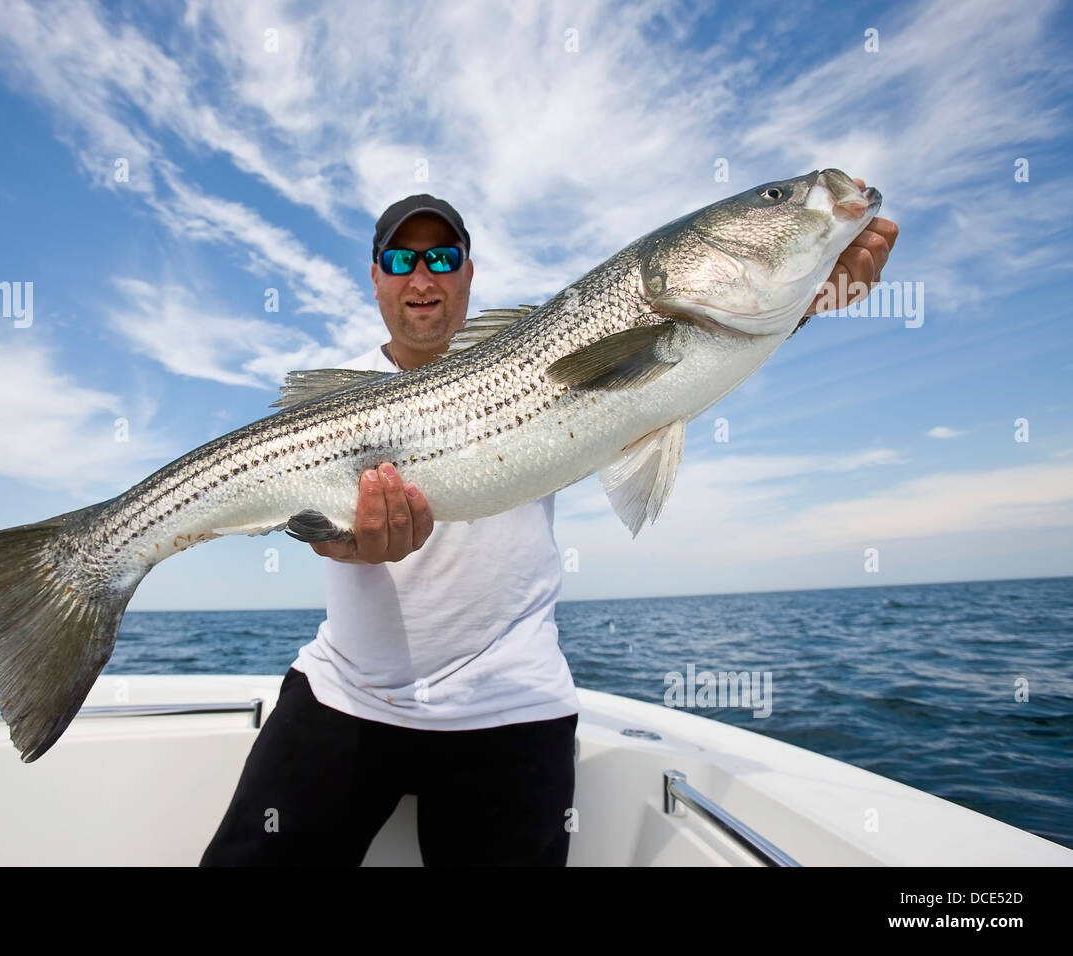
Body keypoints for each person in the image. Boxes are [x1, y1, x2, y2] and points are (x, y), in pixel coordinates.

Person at [200, 190, 898, 867]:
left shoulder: (558, 338)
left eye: (443, 259)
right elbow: (317, 523)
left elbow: (711, 339)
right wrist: (340, 539)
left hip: (512, 706)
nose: (423, 277)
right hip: (343, 696)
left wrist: (811, 292)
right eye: (402, 259)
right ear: (376, 275)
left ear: (468, 274)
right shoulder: (337, 396)